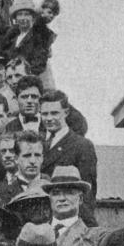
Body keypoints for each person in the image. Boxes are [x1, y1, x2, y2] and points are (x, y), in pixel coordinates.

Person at [40, 90, 97, 222]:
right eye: (44, 114)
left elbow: (87, 194)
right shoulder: (38, 143)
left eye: (54, 113)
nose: (49, 118)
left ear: (66, 112)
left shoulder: (82, 145)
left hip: (66, 219)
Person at [43, 166, 108, 246]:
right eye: (56, 193)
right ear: (50, 198)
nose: (62, 198)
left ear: (80, 198)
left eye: (69, 193)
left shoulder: (95, 237)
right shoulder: (35, 233)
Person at [2, 0, 50, 75]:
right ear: (16, 18)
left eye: (27, 14)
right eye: (20, 15)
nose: (23, 18)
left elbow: (39, 65)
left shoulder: (38, 38)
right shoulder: (12, 37)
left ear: (33, 17)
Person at [0, 131, 45, 202]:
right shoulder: (4, 192)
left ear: (42, 158)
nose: (32, 161)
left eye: (37, 155)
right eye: (26, 156)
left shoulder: (51, 185)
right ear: (16, 159)